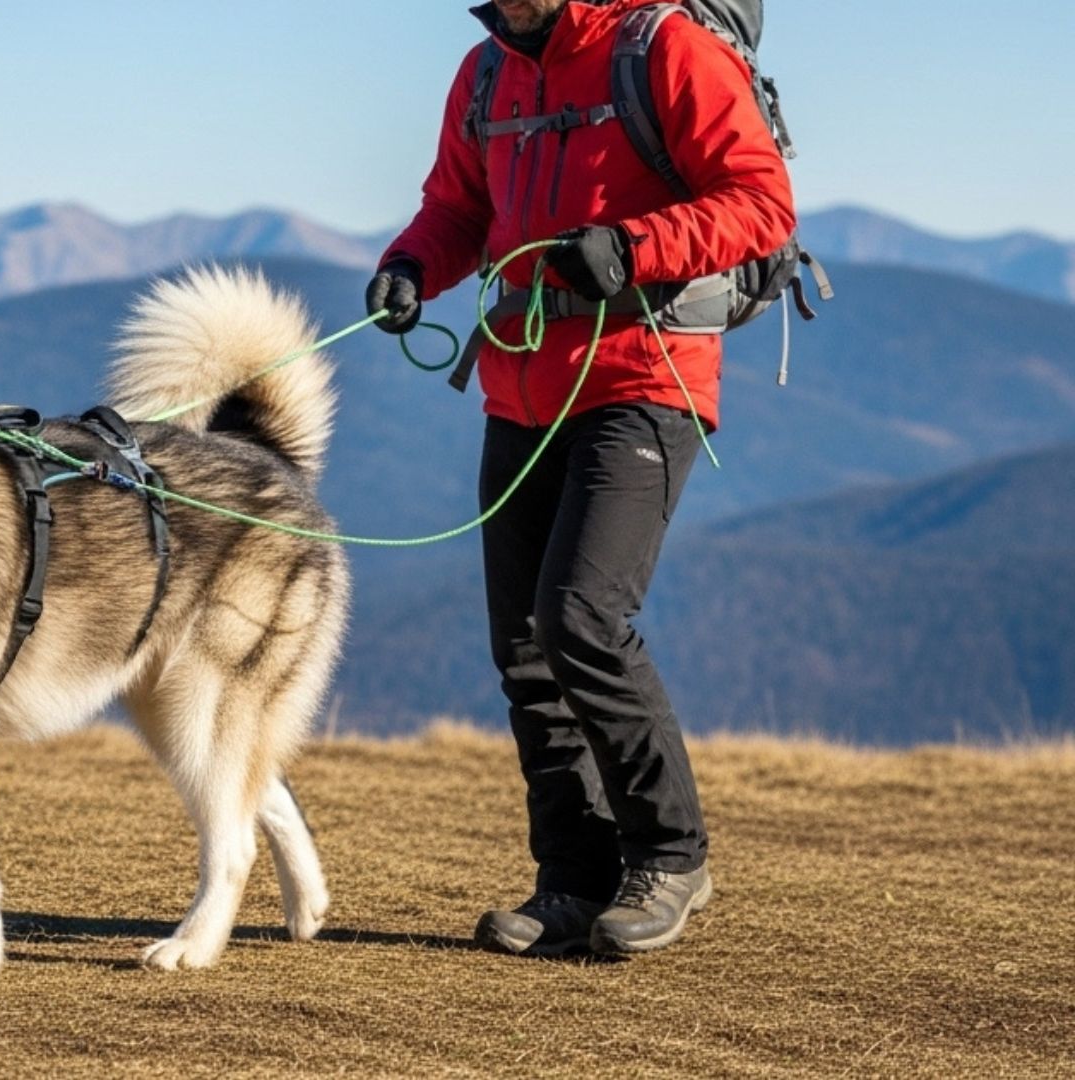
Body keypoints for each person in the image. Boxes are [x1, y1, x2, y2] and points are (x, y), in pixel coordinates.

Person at [366, 0, 794, 955]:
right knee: (524, 648)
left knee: (581, 618)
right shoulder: (486, 75)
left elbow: (762, 203)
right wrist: (409, 266)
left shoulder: (664, 49)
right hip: (520, 387)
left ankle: (672, 856)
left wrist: (632, 248)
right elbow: (458, 209)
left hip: (648, 377)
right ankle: (572, 882)